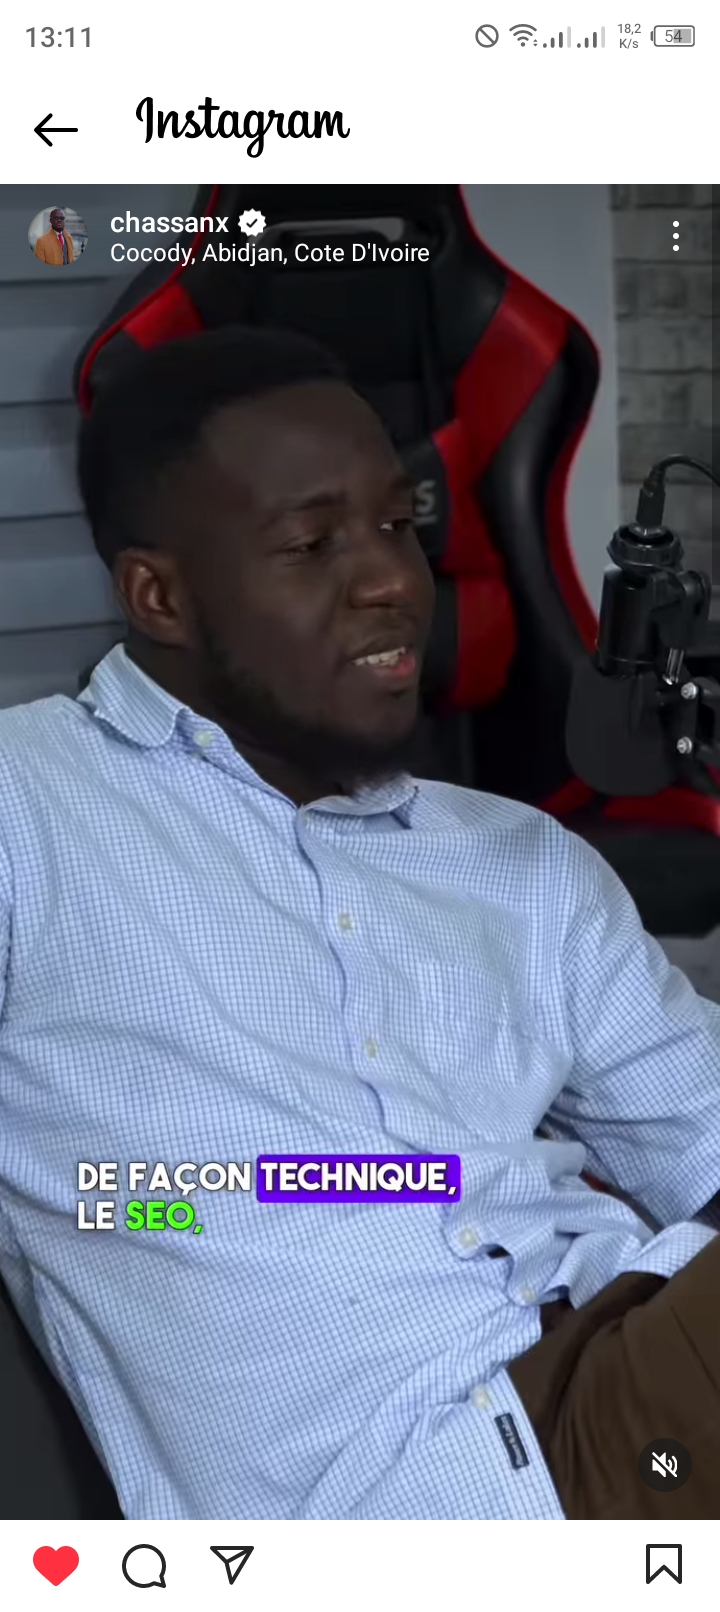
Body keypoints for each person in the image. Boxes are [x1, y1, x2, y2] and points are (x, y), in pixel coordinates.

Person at [1, 325, 720, 1523]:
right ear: (161, 596)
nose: (393, 578)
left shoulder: (520, 863)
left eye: (399, 523)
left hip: (628, 1363)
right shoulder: (31, 808)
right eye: (312, 543)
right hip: (437, 1491)